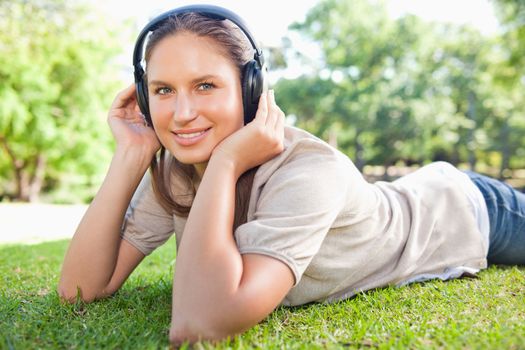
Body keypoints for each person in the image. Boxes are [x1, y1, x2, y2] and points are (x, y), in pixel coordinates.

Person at [58, 5, 525, 345]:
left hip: (468, 211)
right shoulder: (179, 168)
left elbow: (199, 325)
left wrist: (225, 163)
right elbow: (80, 290)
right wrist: (132, 156)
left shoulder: (309, 170)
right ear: (143, 97)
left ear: (250, 89)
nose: (181, 113)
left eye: (206, 85)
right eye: (162, 90)